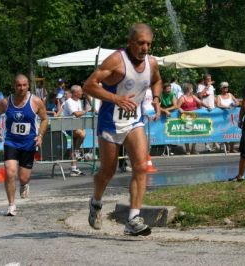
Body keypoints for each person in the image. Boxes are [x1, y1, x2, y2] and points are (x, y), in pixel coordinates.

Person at [83, 23, 162, 236]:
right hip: (110, 121)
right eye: (140, 43)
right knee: (107, 172)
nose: (144, 48)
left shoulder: (152, 62)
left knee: (141, 166)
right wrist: (116, 98)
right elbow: (88, 85)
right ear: (129, 42)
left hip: (134, 120)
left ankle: (133, 219)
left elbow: (157, 80)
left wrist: (156, 98)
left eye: (148, 44)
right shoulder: (116, 60)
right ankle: (96, 201)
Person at [0, 74, 48, 216]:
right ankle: (11, 205)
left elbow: (45, 119)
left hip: (29, 143)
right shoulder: (6, 102)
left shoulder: (36, 101)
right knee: (9, 172)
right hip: (11, 142)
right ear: (14, 86)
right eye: (18, 85)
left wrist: (40, 136)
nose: (21, 88)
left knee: (23, 177)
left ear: (28, 86)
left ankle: (24, 184)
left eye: (24, 85)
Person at [62, 85, 91, 176]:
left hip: (76, 125)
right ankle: (77, 151)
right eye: (80, 91)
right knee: (82, 135)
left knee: (73, 146)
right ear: (75, 93)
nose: (82, 93)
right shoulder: (68, 102)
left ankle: (73, 169)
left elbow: (79, 115)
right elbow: (76, 114)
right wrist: (87, 110)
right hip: (69, 126)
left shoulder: (78, 101)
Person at [177, 82, 212, 155]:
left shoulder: (193, 96)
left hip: (195, 118)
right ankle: (187, 149)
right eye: (192, 88)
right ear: (188, 89)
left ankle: (193, 149)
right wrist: (181, 110)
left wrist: (207, 106)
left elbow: (200, 102)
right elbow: (178, 106)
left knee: (195, 133)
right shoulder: (182, 98)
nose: (193, 90)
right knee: (186, 134)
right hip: (185, 118)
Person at [216, 81, 241, 153]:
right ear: (221, 88)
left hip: (232, 116)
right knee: (225, 131)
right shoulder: (219, 96)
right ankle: (226, 147)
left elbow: (237, 102)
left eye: (227, 87)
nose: (226, 88)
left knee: (232, 131)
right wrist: (226, 107)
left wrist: (234, 106)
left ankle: (232, 148)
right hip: (223, 116)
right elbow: (218, 105)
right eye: (224, 87)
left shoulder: (230, 95)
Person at [197, 74, 219, 152]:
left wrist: (218, 104)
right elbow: (199, 95)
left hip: (212, 108)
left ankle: (214, 142)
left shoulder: (212, 87)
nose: (209, 80)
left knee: (213, 125)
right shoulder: (200, 86)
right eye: (208, 79)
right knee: (205, 127)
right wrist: (207, 87)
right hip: (204, 109)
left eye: (210, 79)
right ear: (204, 80)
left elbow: (213, 97)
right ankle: (206, 145)